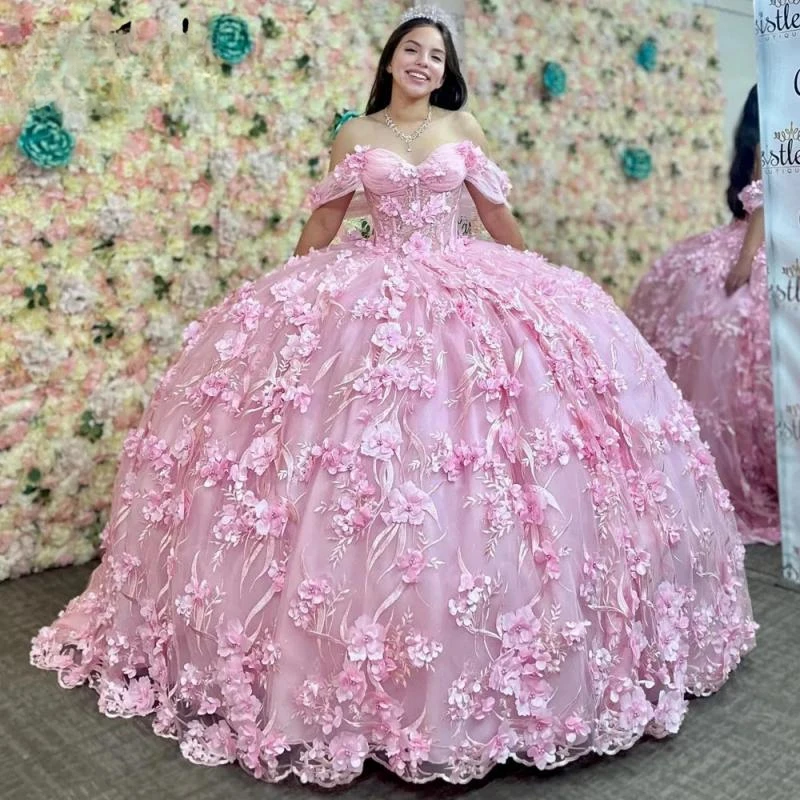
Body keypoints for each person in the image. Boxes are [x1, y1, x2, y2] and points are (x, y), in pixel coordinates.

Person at [31, 7, 756, 786]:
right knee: (369, 461)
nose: (425, 64)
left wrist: (543, 286)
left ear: (446, 71)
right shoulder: (356, 135)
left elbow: (496, 218)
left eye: (436, 55)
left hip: (459, 278)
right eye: (413, 50)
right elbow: (323, 225)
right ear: (390, 60)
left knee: (469, 448)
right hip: (373, 290)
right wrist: (290, 302)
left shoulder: (461, 124)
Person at [628, 86, 778, 545]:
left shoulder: (768, 133)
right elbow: (763, 202)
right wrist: (746, 260)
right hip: (760, 245)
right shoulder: (773, 136)